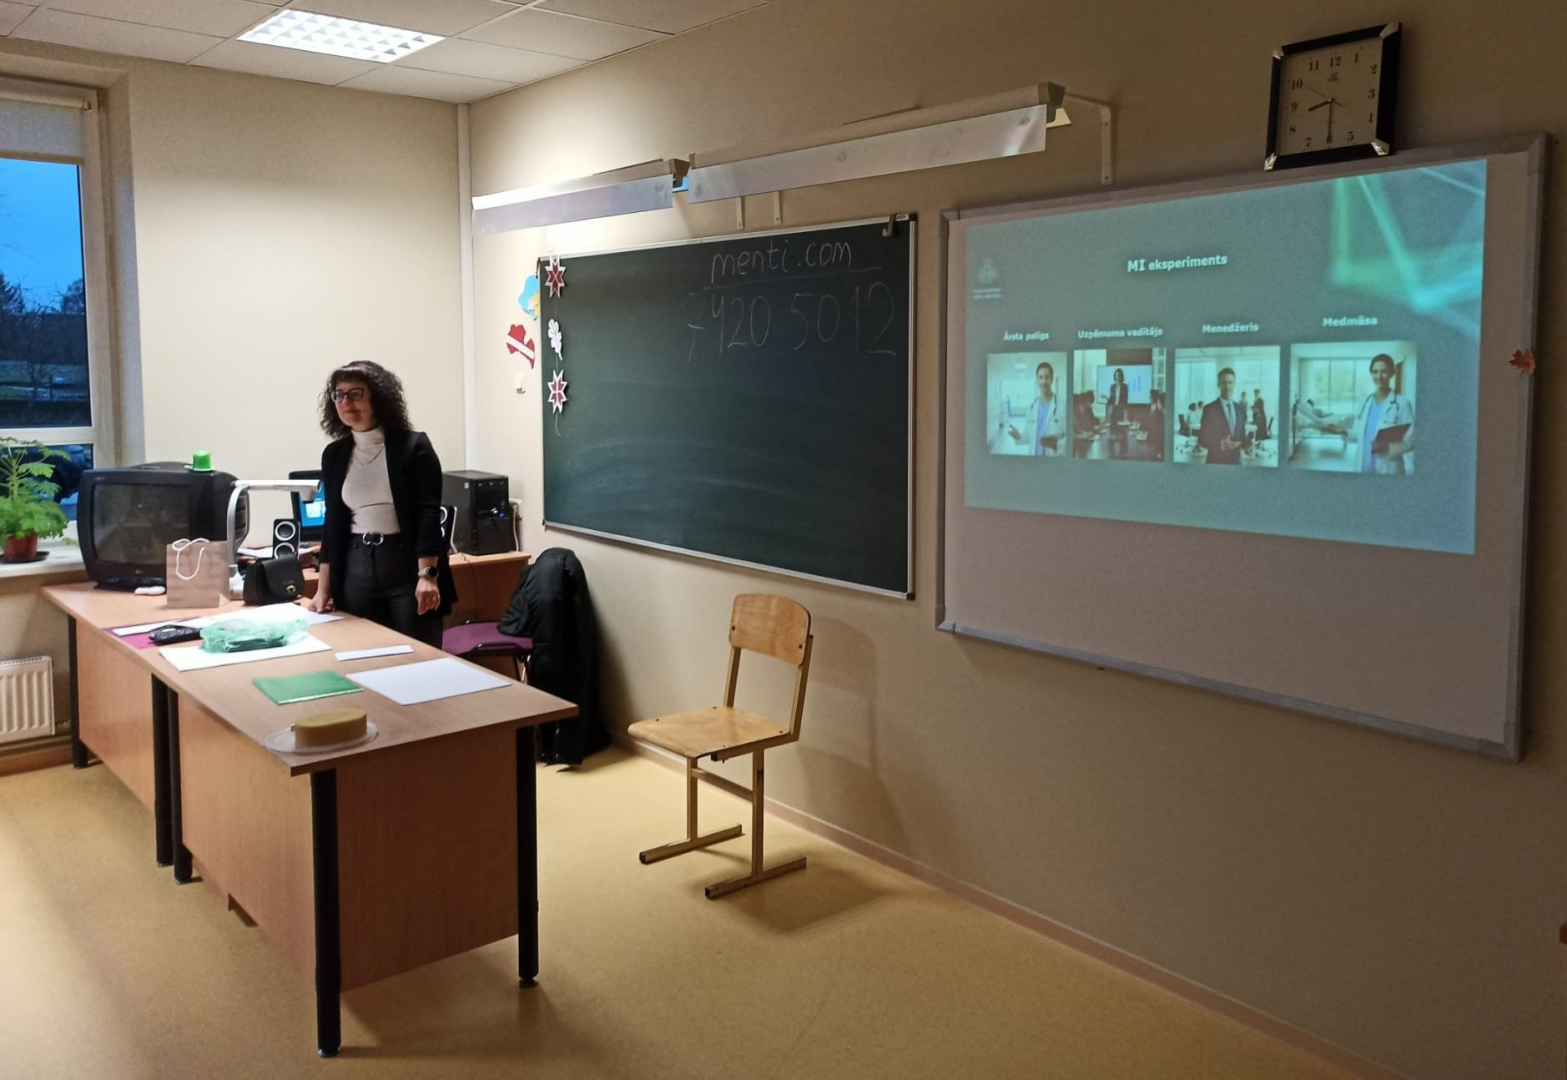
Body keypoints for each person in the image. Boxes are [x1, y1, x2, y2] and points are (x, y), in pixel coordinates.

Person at [307, 360, 456, 646]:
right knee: (363, 653)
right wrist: (323, 589)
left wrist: (427, 575)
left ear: (378, 397)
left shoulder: (414, 447)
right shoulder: (335, 454)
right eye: (338, 395)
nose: (345, 402)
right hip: (355, 566)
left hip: (406, 566)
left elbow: (427, 515)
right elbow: (333, 522)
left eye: (355, 394)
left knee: (417, 656)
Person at [1344, 354, 1415, 475]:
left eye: (1384, 372)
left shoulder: (1402, 404)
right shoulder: (1364, 402)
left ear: (1392, 373)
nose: (1379, 376)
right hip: (1362, 467)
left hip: (1388, 468)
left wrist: (1388, 448)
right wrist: (1343, 431)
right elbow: (1357, 435)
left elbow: (1411, 440)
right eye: (1375, 372)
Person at [1000, 360, 1065, 456]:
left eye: (1047, 377)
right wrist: (1018, 436)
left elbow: (1069, 439)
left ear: (1051, 379)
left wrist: (1057, 444)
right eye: (1040, 377)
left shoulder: (1062, 407)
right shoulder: (1031, 407)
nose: (1043, 381)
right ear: (1037, 380)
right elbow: (1028, 436)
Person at [1197, 367, 1247, 465]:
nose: (1227, 387)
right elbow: (1202, 439)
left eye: (1230, 382)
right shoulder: (1209, 409)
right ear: (1218, 385)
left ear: (1234, 384)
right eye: (1224, 383)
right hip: (1215, 462)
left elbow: (1241, 437)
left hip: (1236, 463)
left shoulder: (1240, 409)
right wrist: (1221, 444)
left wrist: (1248, 444)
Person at [1143, 390, 1166, 460]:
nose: (1148, 398)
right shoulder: (1148, 407)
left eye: (1150, 396)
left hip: (1156, 441)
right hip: (1150, 438)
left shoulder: (1161, 413)